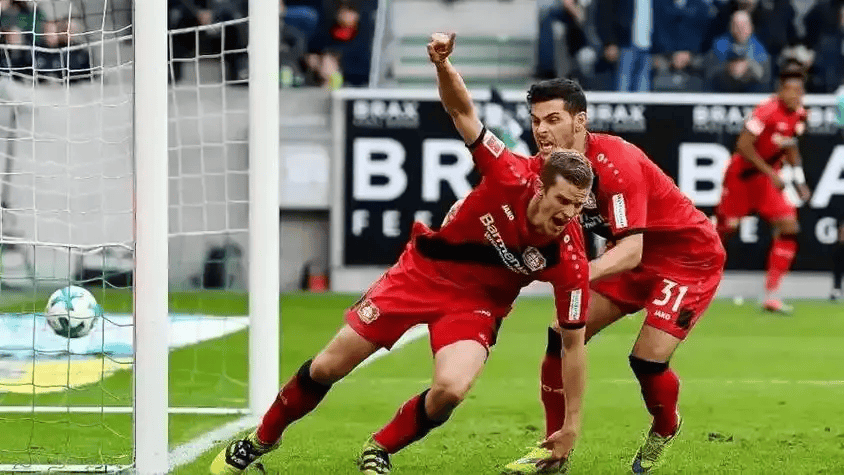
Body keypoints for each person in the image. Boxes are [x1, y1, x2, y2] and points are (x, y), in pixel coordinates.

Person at [211, 32, 594, 475]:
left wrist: (572, 425)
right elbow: (462, 112)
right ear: (540, 187)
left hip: (476, 305)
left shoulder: (569, 257)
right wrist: (442, 65)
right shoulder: (509, 173)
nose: (569, 214)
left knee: (451, 389)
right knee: (328, 366)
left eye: (578, 206)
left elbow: (572, 345)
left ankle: (379, 448)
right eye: (562, 201)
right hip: (421, 273)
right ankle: (260, 440)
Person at [503, 77, 726, 474]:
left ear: (580, 121)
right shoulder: (549, 169)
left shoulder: (616, 163)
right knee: (561, 333)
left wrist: (578, 274)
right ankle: (554, 450)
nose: (541, 130)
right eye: (536, 120)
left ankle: (665, 425)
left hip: (686, 259)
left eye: (553, 119)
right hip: (627, 256)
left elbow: (632, 249)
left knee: (646, 361)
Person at [714, 65, 811, 314]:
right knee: (725, 230)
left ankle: (771, 295)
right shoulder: (765, 112)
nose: (796, 96)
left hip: (767, 181)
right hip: (742, 178)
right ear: (781, 91)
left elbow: (790, 147)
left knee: (789, 227)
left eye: (800, 91)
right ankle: (694, 280)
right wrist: (770, 172)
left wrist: (799, 180)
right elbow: (743, 145)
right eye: (791, 91)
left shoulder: (800, 114)